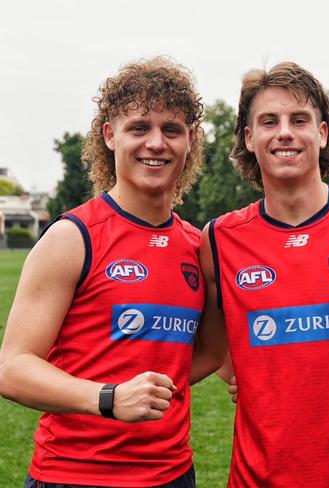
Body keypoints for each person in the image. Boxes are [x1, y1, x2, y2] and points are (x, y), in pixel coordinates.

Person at [191, 62, 329, 487]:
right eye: (269, 121)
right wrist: (257, 377)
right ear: (249, 138)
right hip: (260, 478)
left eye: (299, 120)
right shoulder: (218, 240)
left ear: (323, 133)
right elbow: (216, 348)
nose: (285, 133)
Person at [0, 57, 215, 487]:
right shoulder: (72, 237)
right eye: (139, 127)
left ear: (189, 140)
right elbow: (12, 368)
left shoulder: (199, 246)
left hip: (173, 475)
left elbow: (211, 352)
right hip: (74, 475)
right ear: (109, 135)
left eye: (171, 130)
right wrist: (108, 398)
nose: (156, 142)